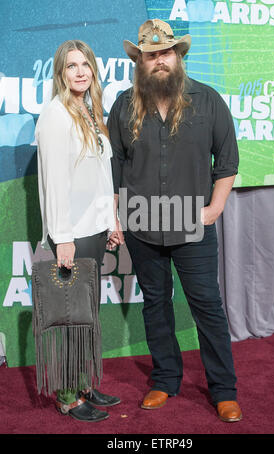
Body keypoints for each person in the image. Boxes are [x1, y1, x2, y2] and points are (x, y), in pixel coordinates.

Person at [107, 19, 242, 422]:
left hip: (193, 223)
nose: (159, 60)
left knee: (208, 306)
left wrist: (214, 209)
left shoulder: (208, 99)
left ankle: (224, 389)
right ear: (140, 61)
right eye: (151, 55)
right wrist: (116, 217)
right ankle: (165, 379)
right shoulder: (123, 105)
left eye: (166, 52)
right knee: (155, 304)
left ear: (178, 56)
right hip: (140, 222)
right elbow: (114, 168)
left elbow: (228, 162)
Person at [36, 40, 121, 422]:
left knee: (87, 315)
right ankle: (68, 397)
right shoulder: (56, 115)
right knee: (72, 317)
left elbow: (101, 176)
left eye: (85, 64)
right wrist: (62, 236)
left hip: (94, 229)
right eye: (72, 66)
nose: (80, 72)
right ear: (61, 72)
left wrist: (111, 221)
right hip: (72, 234)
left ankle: (83, 383)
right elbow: (54, 183)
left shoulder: (88, 111)